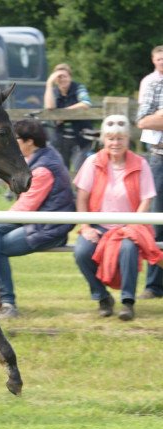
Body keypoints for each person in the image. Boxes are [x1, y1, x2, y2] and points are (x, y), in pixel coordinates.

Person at [0, 119, 75, 319]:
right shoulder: (44, 155)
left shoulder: (43, 169)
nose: (11, 143)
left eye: (15, 139)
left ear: (29, 142)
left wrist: (4, 217)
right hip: (42, 224)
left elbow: (26, 207)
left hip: (49, 229)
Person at [74, 115, 163, 321]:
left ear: (127, 140)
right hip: (99, 225)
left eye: (120, 139)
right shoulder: (92, 162)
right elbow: (82, 198)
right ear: (104, 139)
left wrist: (132, 226)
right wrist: (86, 226)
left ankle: (127, 302)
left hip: (130, 226)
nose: (115, 143)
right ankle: (103, 297)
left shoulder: (141, 163)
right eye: (111, 138)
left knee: (129, 249)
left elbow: (146, 200)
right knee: (81, 251)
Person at [136, 78, 163, 299]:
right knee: (156, 223)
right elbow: (142, 121)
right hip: (160, 159)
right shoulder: (156, 86)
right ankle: (154, 285)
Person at [43, 63, 93, 171]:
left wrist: (64, 114)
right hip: (61, 139)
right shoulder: (54, 92)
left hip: (80, 138)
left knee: (80, 171)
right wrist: (49, 84)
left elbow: (86, 103)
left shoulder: (78, 88)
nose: (62, 79)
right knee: (61, 171)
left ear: (70, 77)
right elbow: (49, 107)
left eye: (64, 76)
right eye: (59, 77)